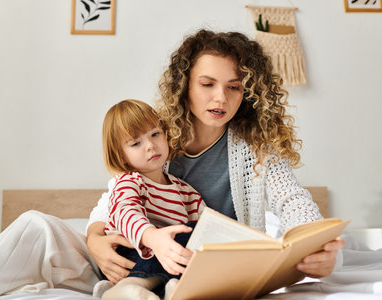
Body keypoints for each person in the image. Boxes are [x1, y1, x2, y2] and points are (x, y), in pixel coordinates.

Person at [86, 29, 345, 285]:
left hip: (224, 264)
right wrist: (94, 240)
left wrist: (321, 248)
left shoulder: (256, 147)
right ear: (184, 85)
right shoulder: (156, 138)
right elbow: (117, 198)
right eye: (207, 84)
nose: (221, 97)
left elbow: (292, 200)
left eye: (234, 87)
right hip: (158, 254)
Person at [96, 99, 205, 299]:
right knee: (176, 242)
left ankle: (173, 288)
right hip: (128, 258)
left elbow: (206, 226)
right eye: (136, 143)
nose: (151, 146)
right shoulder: (130, 182)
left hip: (169, 260)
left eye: (155, 134)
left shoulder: (186, 191)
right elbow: (125, 212)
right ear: (121, 157)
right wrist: (152, 237)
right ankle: (128, 287)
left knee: (195, 237)